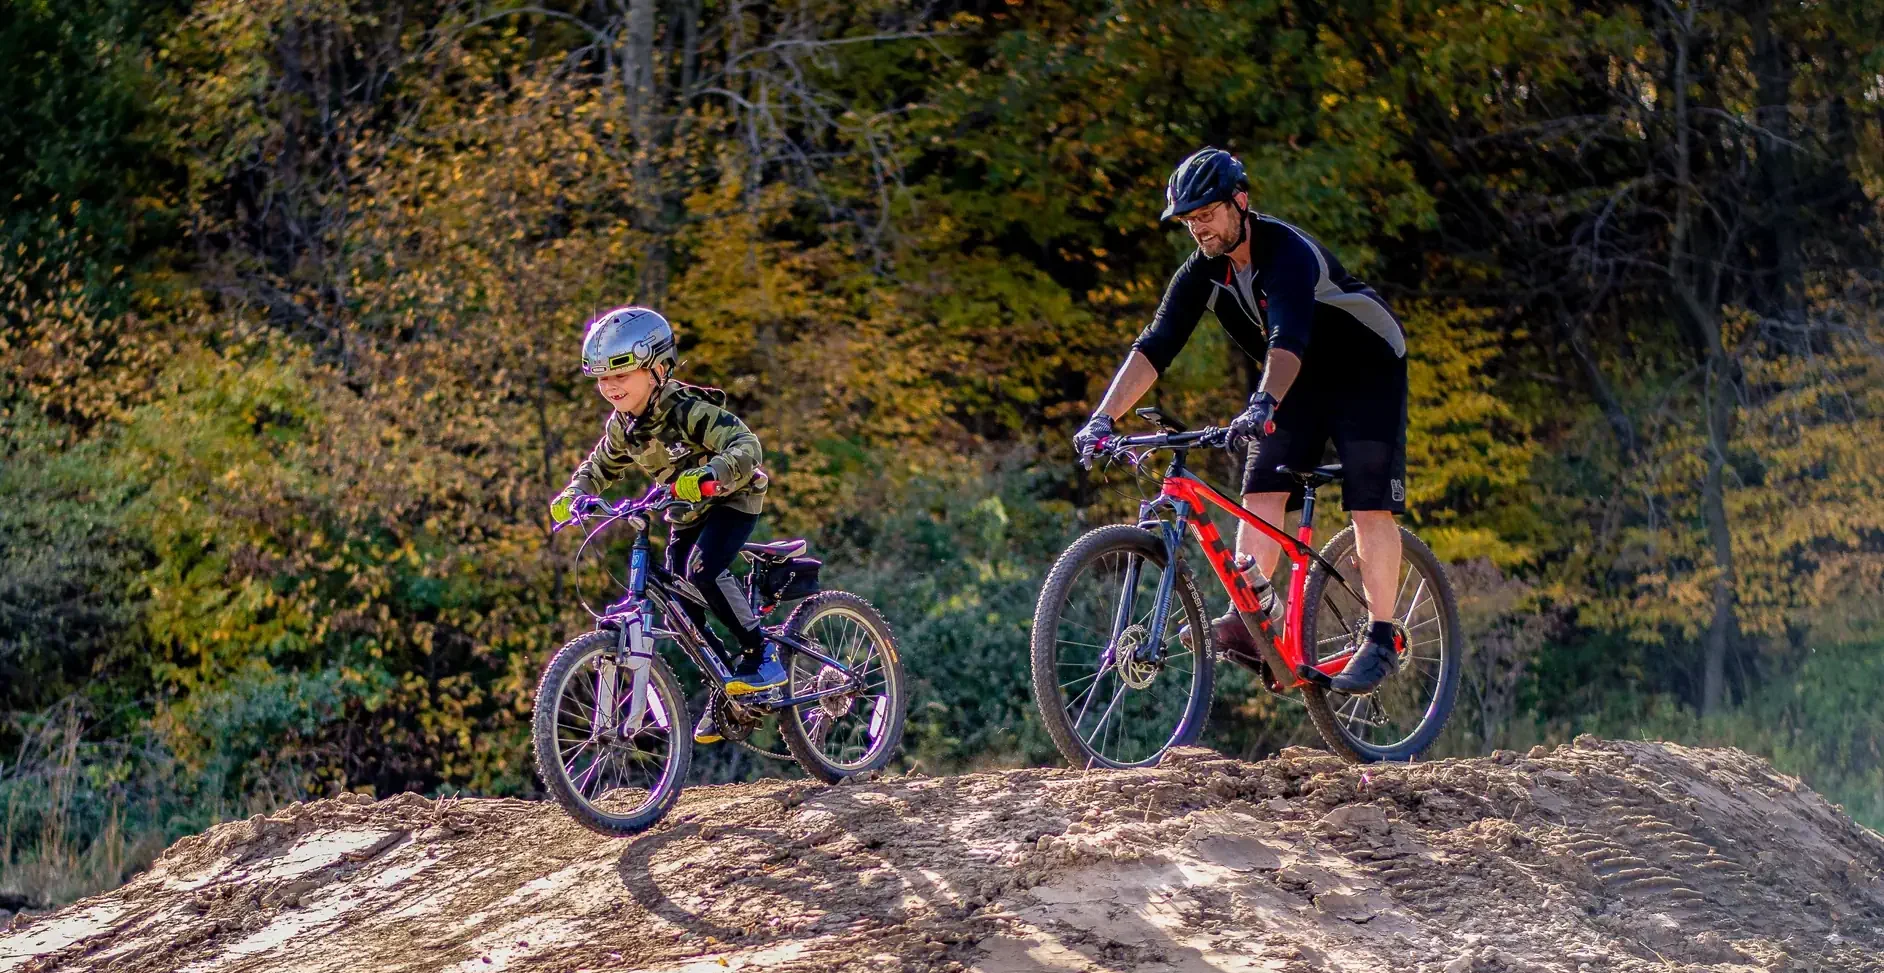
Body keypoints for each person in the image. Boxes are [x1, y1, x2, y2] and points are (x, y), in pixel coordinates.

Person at [1072, 147, 1409, 694]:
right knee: (1262, 488)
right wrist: (1102, 418)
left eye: (1206, 214)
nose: (1197, 228)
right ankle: (1254, 619)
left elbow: (1288, 338)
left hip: (1366, 367)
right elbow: (1156, 346)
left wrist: (1262, 403)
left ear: (1241, 203)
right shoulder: (1202, 272)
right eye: (1188, 220)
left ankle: (1382, 634)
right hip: (1295, 378)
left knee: (1368, 502)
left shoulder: (1287, 253)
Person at [549, 306, 781, 743]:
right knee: (681, 602)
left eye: (622, 375)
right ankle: (730, 692)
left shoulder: (687, 410)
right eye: (602, 379)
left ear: (658, 368)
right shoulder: (624, 427)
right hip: (683, 512)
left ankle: (760, 652)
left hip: (732, 500)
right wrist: (574, 494)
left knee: (701, 571)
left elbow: (745, 444)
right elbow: (598, 466)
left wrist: (712, 474)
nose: (610, 387)